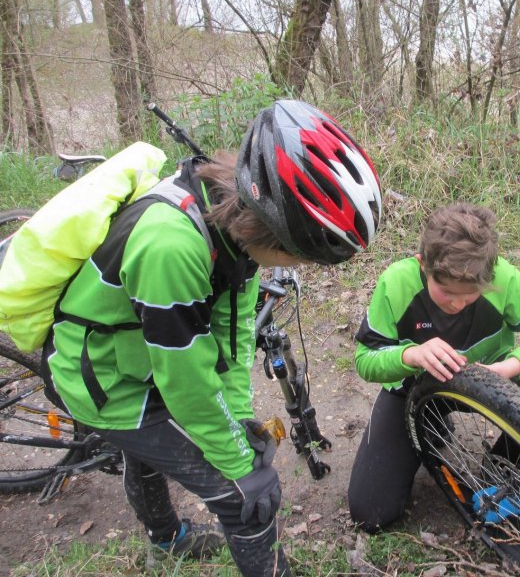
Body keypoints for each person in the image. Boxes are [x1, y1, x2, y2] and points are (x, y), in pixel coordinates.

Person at [44, 100, 381, 577]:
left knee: (174, 452)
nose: (299, 269)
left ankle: (166, 541)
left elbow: (233, 332)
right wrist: (242, 464)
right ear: (273, 229)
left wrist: (240, 414)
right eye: (302, 257)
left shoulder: (232, 220)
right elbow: (188, 383)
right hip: (104, 378)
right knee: (248, 496)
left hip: (146, 354)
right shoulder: (173, 248)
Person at [347, 202, 520, 531]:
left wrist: (511, 367)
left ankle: (502, 463)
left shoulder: (502, 277)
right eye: (446, 293)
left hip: (489, 384)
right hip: (414, 392)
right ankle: (431, 423)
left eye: (470, 294)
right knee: (370, 513)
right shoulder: (397, 282)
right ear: (423, 264)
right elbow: (365, 360)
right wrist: (410, 356)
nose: (457, 304)